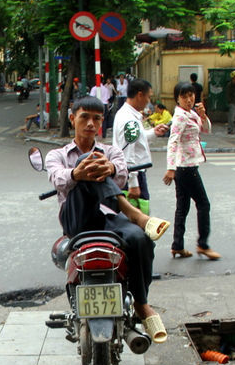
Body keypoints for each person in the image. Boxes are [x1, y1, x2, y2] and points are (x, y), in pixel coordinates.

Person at [45, 96, 170, 343]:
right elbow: (58, 179)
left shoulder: (112, 152)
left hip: (110, 219)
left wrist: (110, 168)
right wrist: (76, 173)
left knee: (141, 239)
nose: (91, 123)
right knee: (85, 164)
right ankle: (137, 216)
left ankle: (141, 304)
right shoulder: (56, 155)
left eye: (97, 118)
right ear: (72, 119)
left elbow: (122, 175)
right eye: (85, 117)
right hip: (77, 219)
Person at [163, 81, 219, 261]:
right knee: (203, 204)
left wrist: (203, 115)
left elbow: (206, 130)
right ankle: (203, 245)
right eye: (184, 96)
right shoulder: (180, 116)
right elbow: (173, 141)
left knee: (183, 207)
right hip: (185, 167)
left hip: (185, 166)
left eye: (191, 95)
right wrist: (170, 168)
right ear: (177, 99)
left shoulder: (191, 113)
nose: (189, 99)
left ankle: (177, 246)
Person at [112, 79, 168, 204]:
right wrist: (133, 183)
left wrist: (154, 133)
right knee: (138, 217)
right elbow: (127, 153)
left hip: (132, 173)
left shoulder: (128, 115)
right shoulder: (129, 119)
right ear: (140, 95)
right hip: (132, 175)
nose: (149, 101)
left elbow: (136, 140)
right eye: (148, 97)